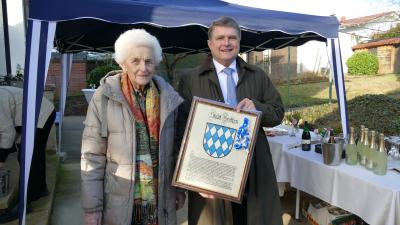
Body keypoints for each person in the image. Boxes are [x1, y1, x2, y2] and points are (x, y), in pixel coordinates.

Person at [177, 17, 285, 225]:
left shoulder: (258, 76)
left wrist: (258, 108)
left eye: (232, 38)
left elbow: (278, 113)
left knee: (252, 218)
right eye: (220, 38)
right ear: (210, 44)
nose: (226, 43)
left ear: (239, 41)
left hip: (253, 167)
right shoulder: (190, 79)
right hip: (211, 170)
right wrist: (191, 177)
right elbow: (181, 129)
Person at [81, 29, 185, 225]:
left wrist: (179, 188)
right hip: (120, 201)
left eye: (149, 61)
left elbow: (176, 149)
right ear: (123, 63)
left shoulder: (169, 98)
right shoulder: (104, 97)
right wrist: (92, 208)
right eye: (135, 61)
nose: (143, 68)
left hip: (160, 199)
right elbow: (92, 155)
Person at [0, 86, 55, 222]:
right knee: (33, 155)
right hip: (27, 117)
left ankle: (24, 204)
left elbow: (7, 133)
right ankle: (41, 188)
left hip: (40, 114)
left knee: (28, 158)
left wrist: (1, 159)